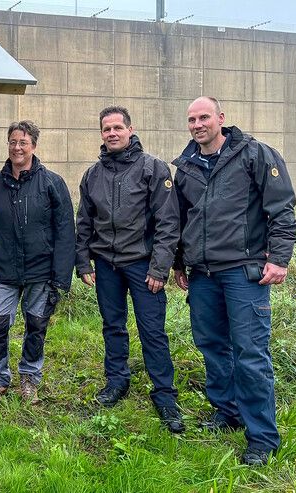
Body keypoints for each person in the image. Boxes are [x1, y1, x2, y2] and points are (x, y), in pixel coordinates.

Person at [172, 96, 296, 465]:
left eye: (204, 117)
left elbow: (282, 209)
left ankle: (262, 437)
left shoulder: (255, 155)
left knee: (250, 353)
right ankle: (227, 412)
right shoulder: (187, 167)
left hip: (244, 273)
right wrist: (180, 263)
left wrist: (279, 259)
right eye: (192, 119)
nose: (197, 125)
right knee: (212, 345)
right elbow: (183, 220)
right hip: (203, 276)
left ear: (221, 119)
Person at [75, 106, 184, 433]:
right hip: (106, 266)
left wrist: (159, 267)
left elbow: (168, 223)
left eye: (117, 127)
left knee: (152, 331)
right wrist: (83, 261)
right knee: (113, 326)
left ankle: (165, 395)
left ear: (130, 129)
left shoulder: (153, 168)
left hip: (143, 267)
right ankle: (117, 381)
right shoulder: (92, 175)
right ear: (101, 133)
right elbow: (83, 222)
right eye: (106, 128)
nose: (112, 133)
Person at [0, 120, 75, 405]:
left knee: (36, 325)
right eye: (13, 142)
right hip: (3, 270)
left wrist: (61, 276)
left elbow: (66, 231)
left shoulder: (52, 183)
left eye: (23, 142)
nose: (17, 147)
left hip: (40, 271)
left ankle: (29, 378)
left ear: (34, 146)